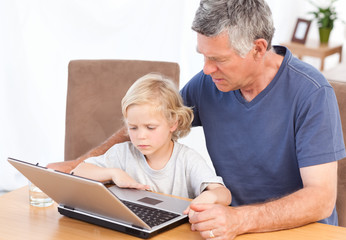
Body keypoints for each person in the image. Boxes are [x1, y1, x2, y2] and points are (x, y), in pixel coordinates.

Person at [48, 0, 346, 239]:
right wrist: (75, 166)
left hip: (298, 231)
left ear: (257, 48)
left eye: (218, 59)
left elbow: (321, 198)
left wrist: (240, 219)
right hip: (223, 225)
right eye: (203, 56)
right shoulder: (210, 84)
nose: (206, 70)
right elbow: (153, 122)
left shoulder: (311, 93)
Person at [70, 73, 231, 215]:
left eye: (150, 127)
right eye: (133, 127)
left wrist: (211, 195)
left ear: (173, 123)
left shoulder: (187, 160)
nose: (141, 136)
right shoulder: (122, 153)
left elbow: (224, 194)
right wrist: (113, 173)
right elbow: (78, 171)